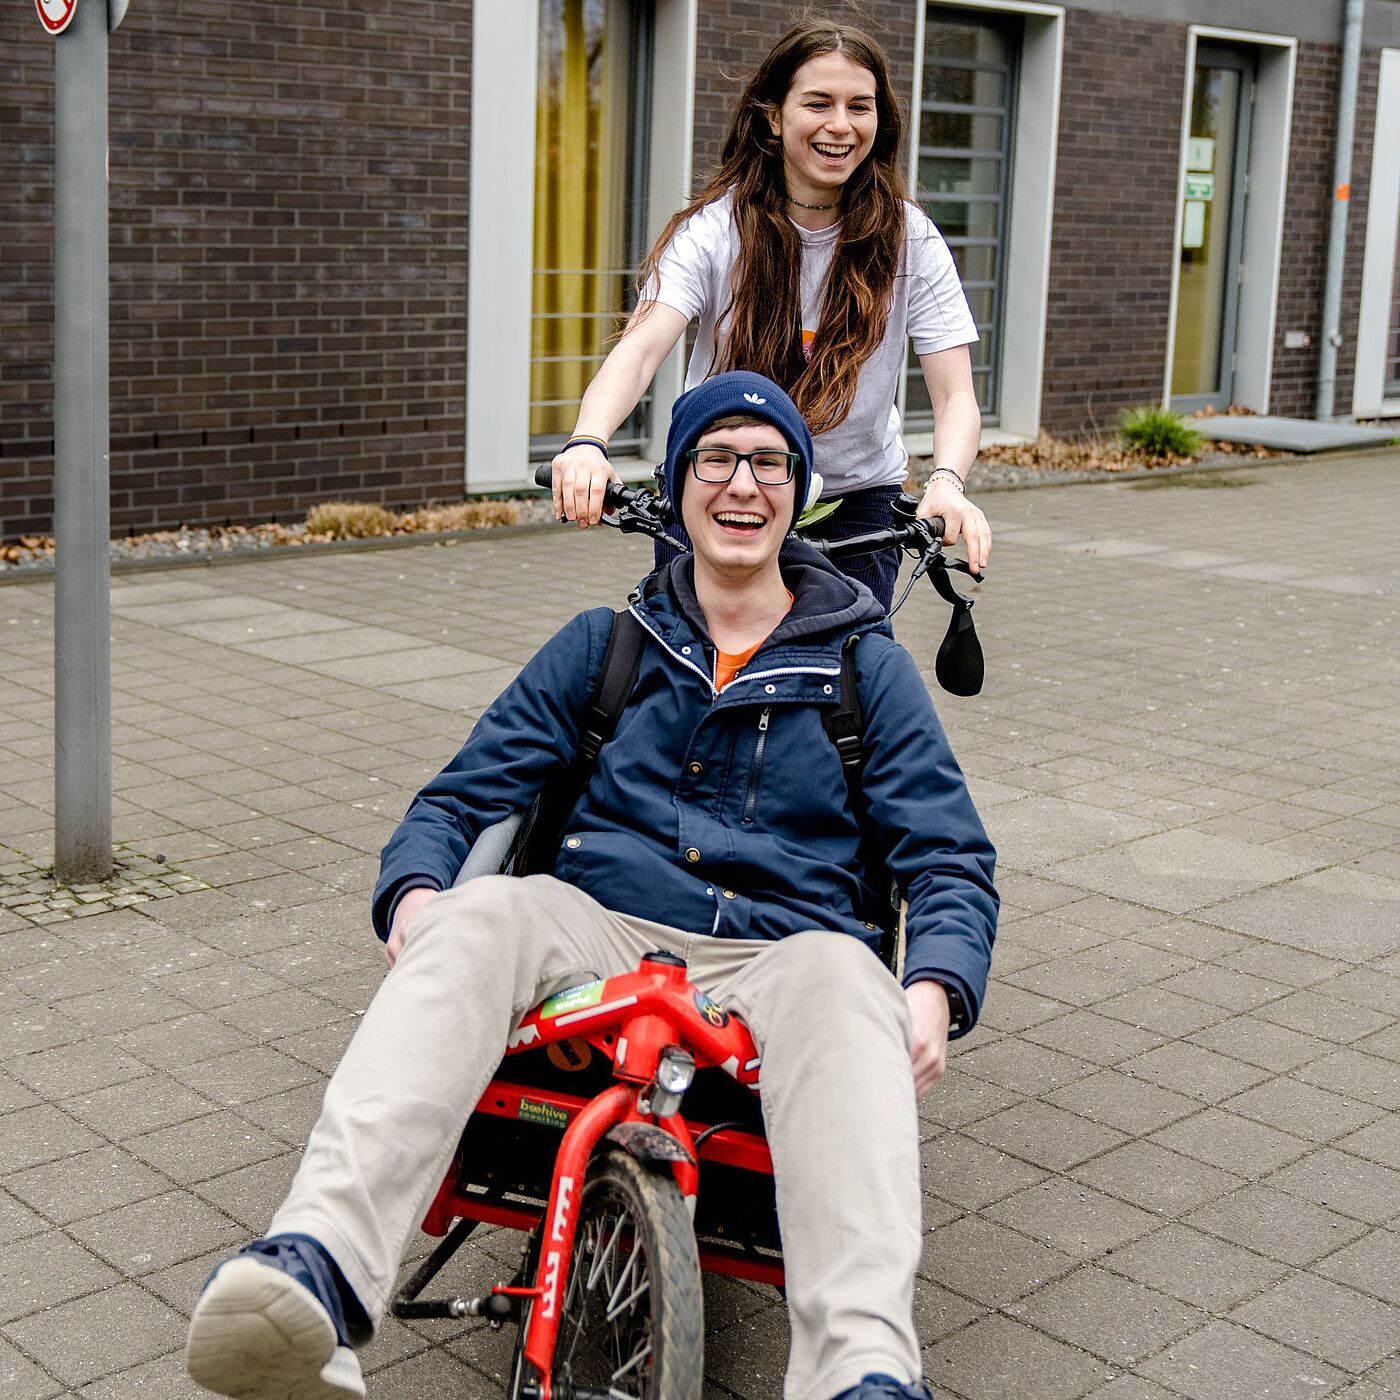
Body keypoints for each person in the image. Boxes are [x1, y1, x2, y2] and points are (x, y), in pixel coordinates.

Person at [184, 372, 998, 1400]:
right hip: (600, 923)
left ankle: (861, 1370)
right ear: (679, 481)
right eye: (715, 457)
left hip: (785, 951)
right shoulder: (605, 643)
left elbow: (949, 856)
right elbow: (458, 798)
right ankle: (317, 1267)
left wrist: (933, 985)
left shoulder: (863, 669)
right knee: (482, 913)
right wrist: (418, 896)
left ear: (796, 490)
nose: (740, 483)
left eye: (768, 461)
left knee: (852, 983)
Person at [549, 19, 991, 611]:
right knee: (696, 676)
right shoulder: (713, 232)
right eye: (818, 103)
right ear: (773, 116)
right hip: (721, 488)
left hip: (855, 503)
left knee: (847, 686)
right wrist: (588, 442)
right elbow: (642, 348)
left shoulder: (912, 240)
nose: (841, 125)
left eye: (860, 106)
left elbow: (954, 394)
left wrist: (947, 482)